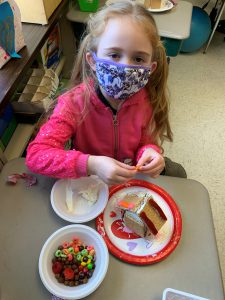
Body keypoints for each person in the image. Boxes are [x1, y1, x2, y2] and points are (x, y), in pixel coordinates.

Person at [26, 1, 186, 185]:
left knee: (179, 174)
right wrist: (90, 164)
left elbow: (145, 142)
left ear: (151, 68)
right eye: (114, 55)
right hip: (90, 185)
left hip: (129, 180)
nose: (125, 66)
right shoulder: (73, 103)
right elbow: (36, 155)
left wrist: (150, 152)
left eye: (138, 58)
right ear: (92, 60)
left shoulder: (146, 100)